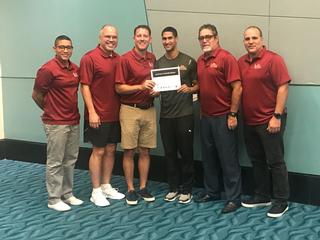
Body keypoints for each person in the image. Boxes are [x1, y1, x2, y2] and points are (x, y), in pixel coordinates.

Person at [238, 26, 290, 218]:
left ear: (261, 40)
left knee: (275, 162)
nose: (250, 41)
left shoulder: (273, 59)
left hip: (271, 120)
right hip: (249, 121)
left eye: (254, 38)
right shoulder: (240, 62)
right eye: (247, 38)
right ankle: (262, 196)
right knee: (257, 160)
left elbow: (283, 88)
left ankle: (281, 201)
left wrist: (276, 116)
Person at [32, 35, 83, 212]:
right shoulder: (48, 69)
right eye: (61, 47)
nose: (65, 50)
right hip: (56, 123)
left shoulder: (75, 68)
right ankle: (54, 199)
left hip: (73, 120)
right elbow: (36, 95)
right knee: (55, 161)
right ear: (55, 48)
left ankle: (67, 194)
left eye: (68, 47)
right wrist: (50, 110)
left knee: (70, 160)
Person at [195, 24, 242, 213]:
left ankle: (234, 198)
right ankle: (212, 191)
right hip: (206, 117)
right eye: (201, 37)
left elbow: (237, 88)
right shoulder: (200, 60)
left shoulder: (226, 58)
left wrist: (232, 114)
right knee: (208, 158)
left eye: (208, 36)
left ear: (216, 37)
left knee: (228, 159)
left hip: (224, 117)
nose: (205, 40)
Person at [79, 25, 124, 207]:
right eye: (108, 37)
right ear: (100, 38)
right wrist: (92, 112)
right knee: (98, 151)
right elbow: (85, 86)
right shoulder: (89, 58)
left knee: (111, 148)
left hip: (115, 113)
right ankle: (95, 191)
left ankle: (106, 185)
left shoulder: (119, 59)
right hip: (97, 114)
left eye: (114, 37)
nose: (111, 40)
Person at [155, 26, 198, 204]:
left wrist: (190, 89)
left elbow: (198, 85)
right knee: (170, 154)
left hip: (185, 115)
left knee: (186, 153)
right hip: (166, 116)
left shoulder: (188, 61)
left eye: (170, 38)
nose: (167, 42)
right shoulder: (158, 63)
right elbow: (157, 88)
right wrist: (155, 92)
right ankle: (173, 187)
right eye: (164, 39)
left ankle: (187, 189)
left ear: (176, 39)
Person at [115, 25, 157, 205]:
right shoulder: (124, 59)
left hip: (149, 109)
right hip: (129, 110)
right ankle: (131, 189)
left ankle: (143, 187)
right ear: (134, 38)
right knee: (130, 151)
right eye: (138, 36)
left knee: (145, 151)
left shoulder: (152, 58)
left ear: (150, 39)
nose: (142, 38)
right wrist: (141, 86)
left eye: (145, 36)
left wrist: (157, 91)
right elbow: (119, 87)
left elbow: (156, 83)